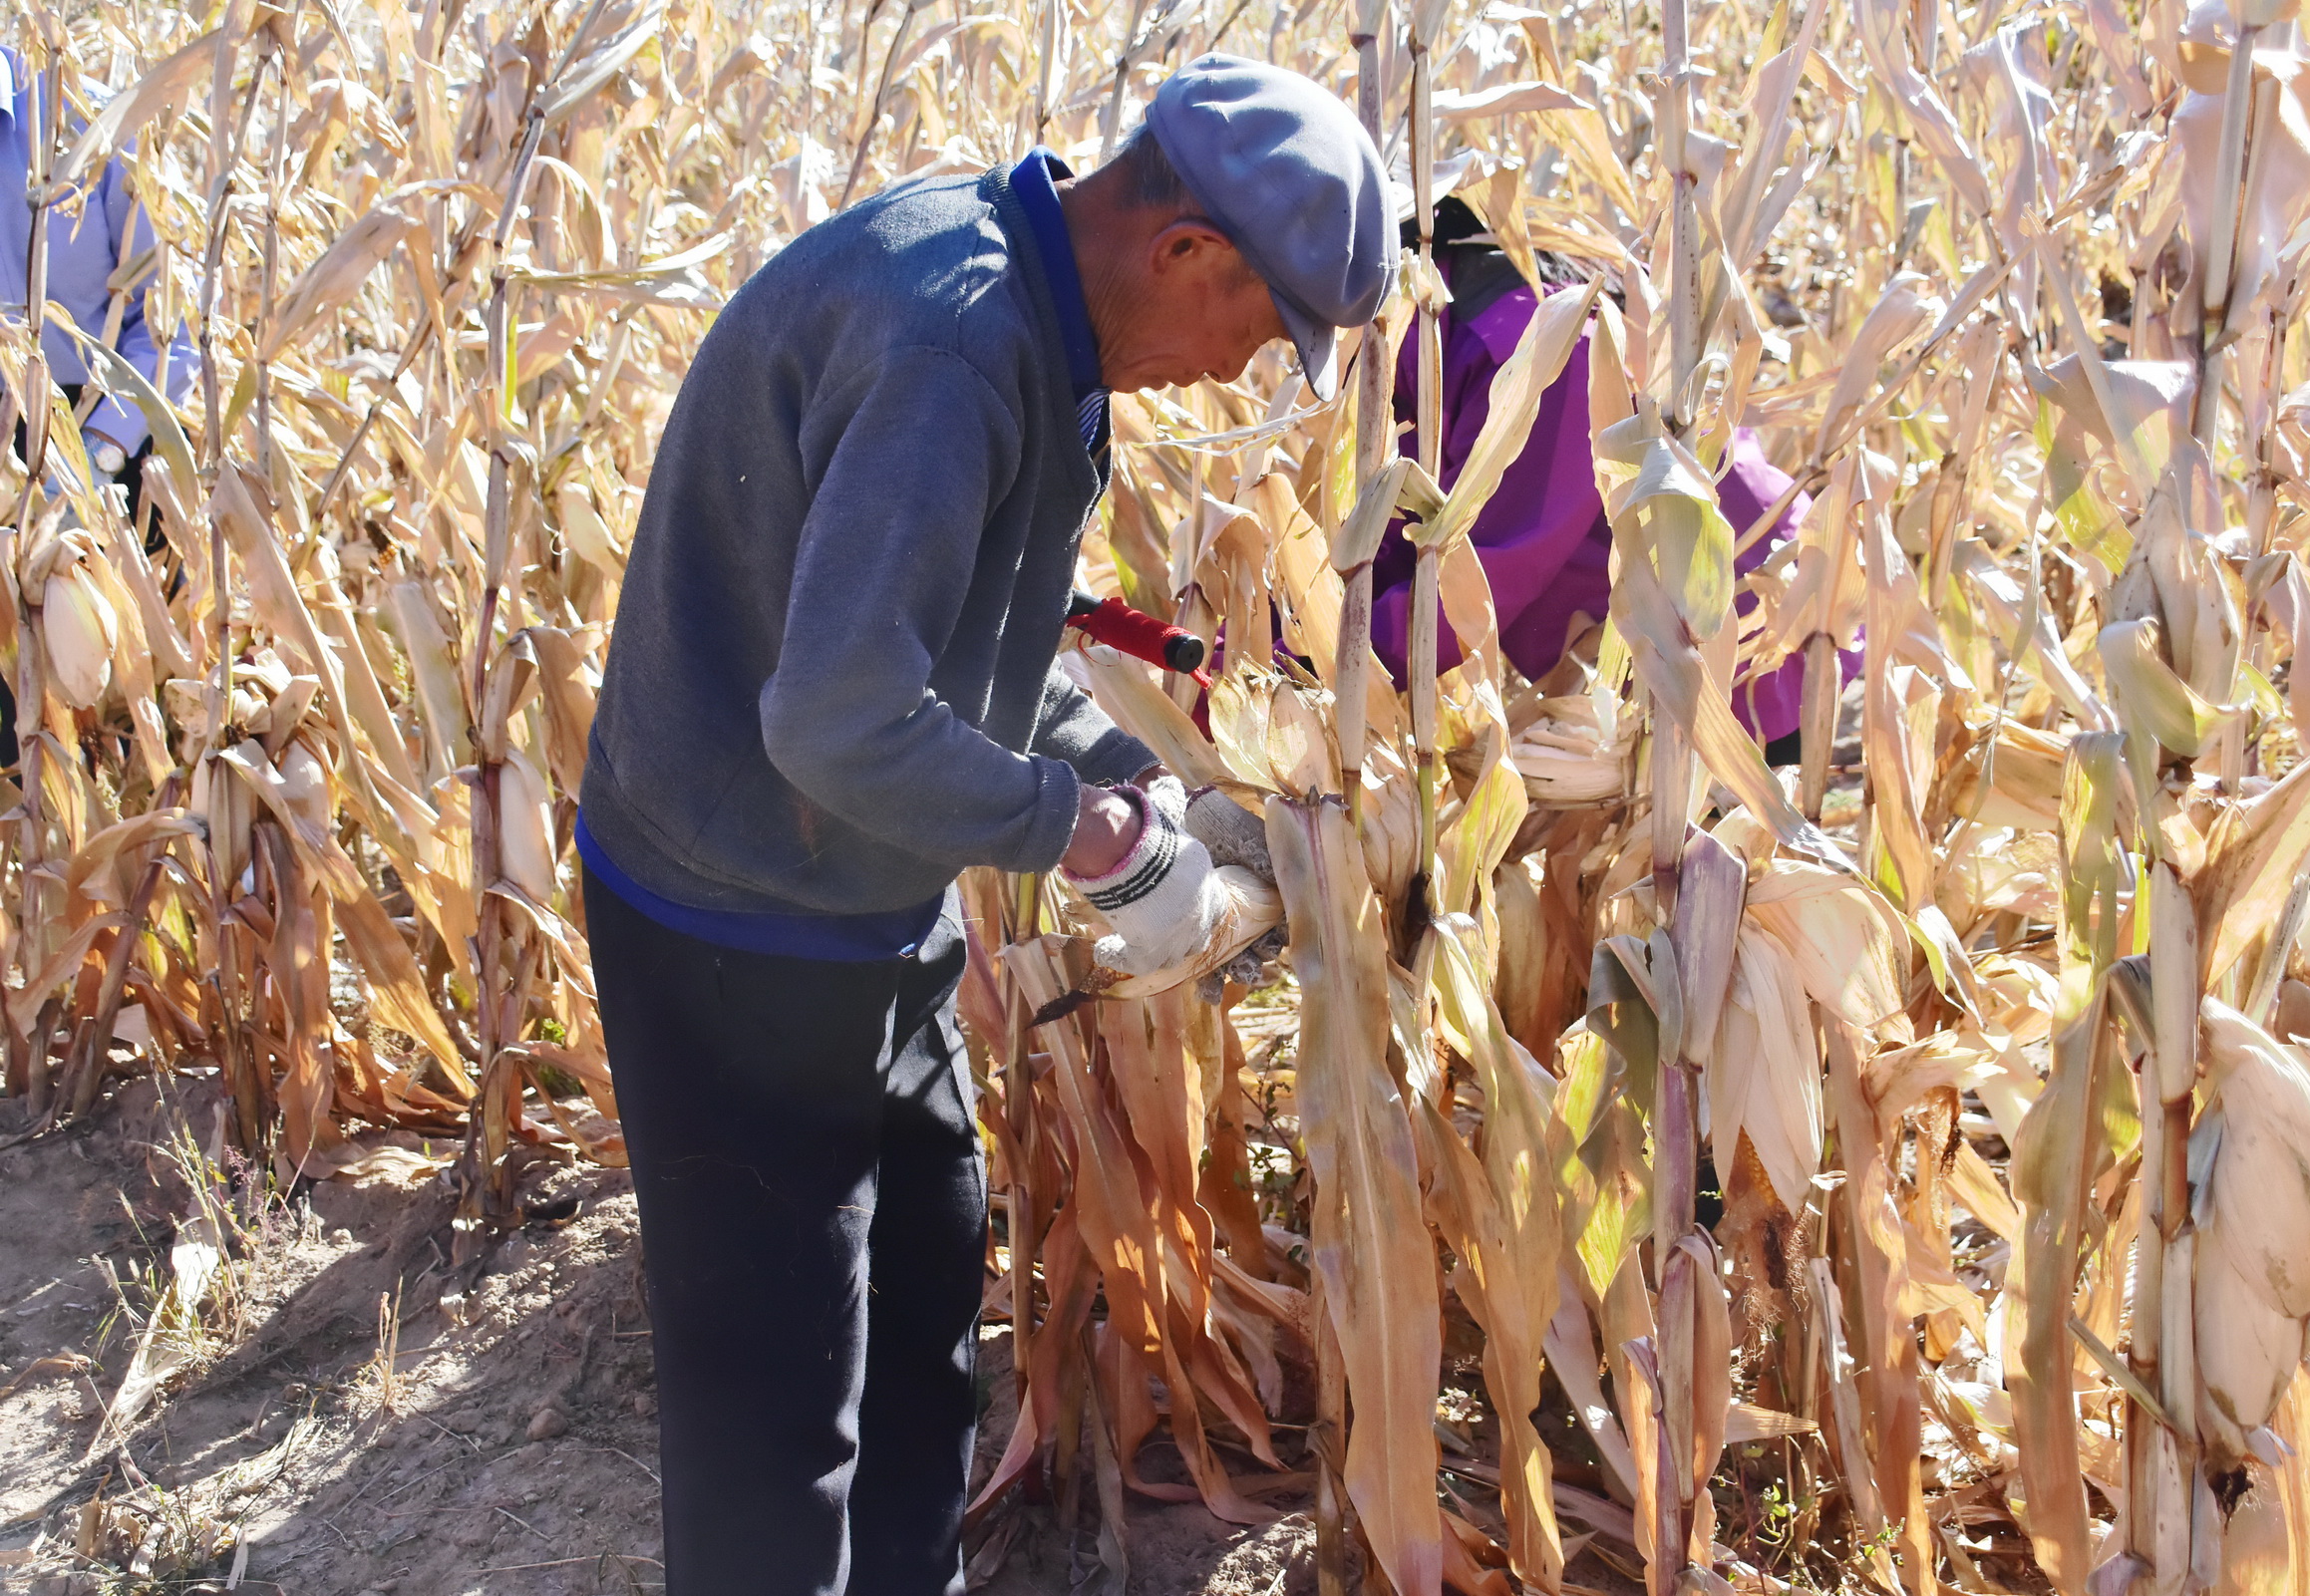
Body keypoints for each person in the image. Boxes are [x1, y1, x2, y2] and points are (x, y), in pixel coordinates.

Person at [575, 56, 1394, 1596]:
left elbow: (967, 648)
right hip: (733, 926)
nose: (1237, 375)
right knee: (776, 1430)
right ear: (1186, 253)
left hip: (856, 905)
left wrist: (1144, 781)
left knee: (923, 1319)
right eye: (1256, 331)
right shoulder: (955, 350)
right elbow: (830, 723)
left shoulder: (1034, 310)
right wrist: (1077, 835)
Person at [1370, 196, 1815, 760]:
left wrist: (1323, 662)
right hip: (1675, 637)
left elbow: (1480, 570)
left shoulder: (1530, 345)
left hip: (1742, 631)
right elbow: (1404, 517)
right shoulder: (1442, 338)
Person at [2, 46, 199, 765]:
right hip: (4, 437)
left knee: (114, 694)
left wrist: (100, 454)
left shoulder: (91, 125)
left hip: (104, 428)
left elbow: (170, 326)